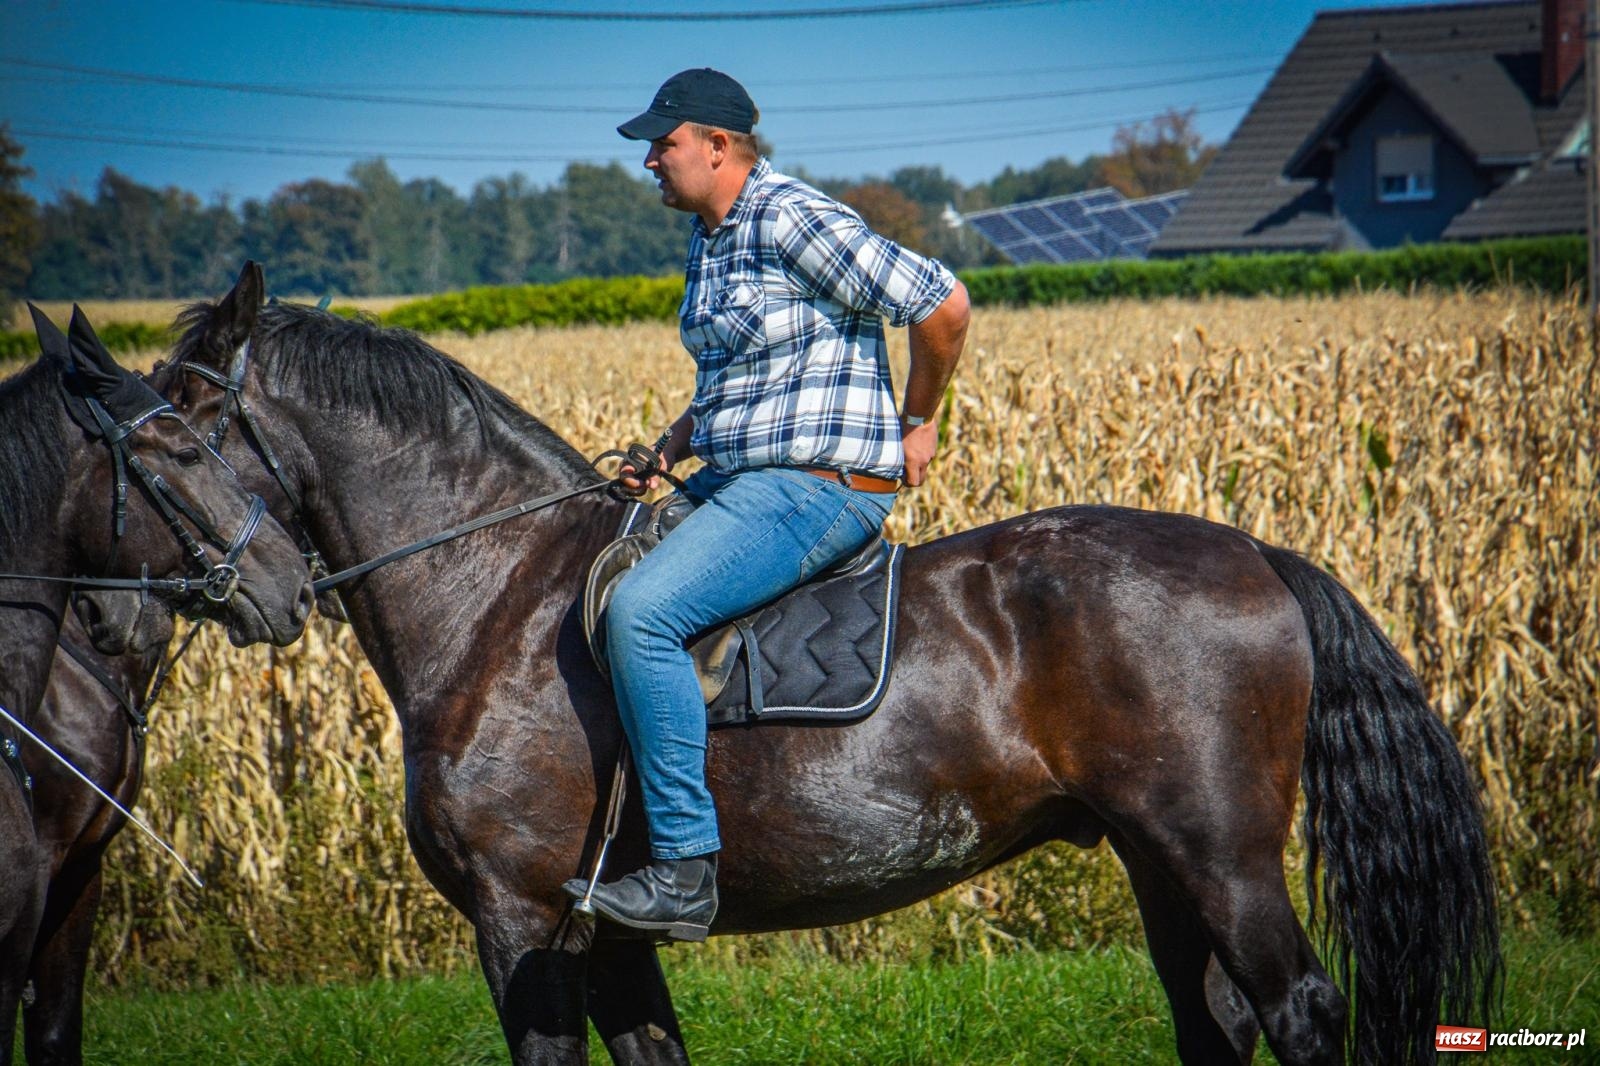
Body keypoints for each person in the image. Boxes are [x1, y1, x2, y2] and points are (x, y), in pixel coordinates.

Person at [567, 68, 970, 941]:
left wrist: (921, 419)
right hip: (736, 477)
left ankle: (682, 868)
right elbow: (736, 382)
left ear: (719, 146)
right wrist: (667, 451)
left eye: (662, 145)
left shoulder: (792, 217)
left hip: (819, 487)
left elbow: (941, 303)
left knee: (640, 614)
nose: (649, 163)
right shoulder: (712, 238)